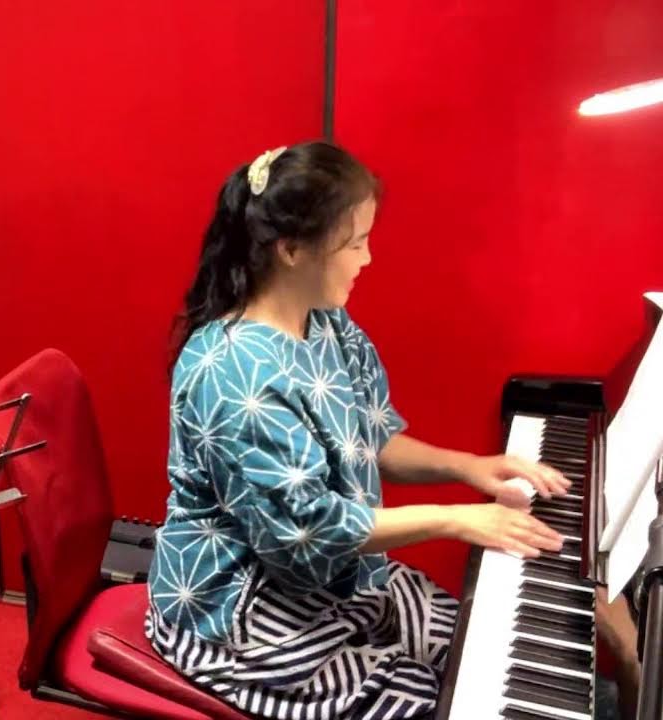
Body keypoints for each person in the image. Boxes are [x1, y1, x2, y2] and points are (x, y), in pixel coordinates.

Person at [147, 141, 640, 719]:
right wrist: (457, 519)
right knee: (447, 700)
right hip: (240, 614)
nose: (368, 258)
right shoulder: (235, 376)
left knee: (478, 647)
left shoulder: (326, 322)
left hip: (335, 582)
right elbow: (307, 533)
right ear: (291, 250)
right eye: (355, 243)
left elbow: (371, 442)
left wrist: (468, 468)